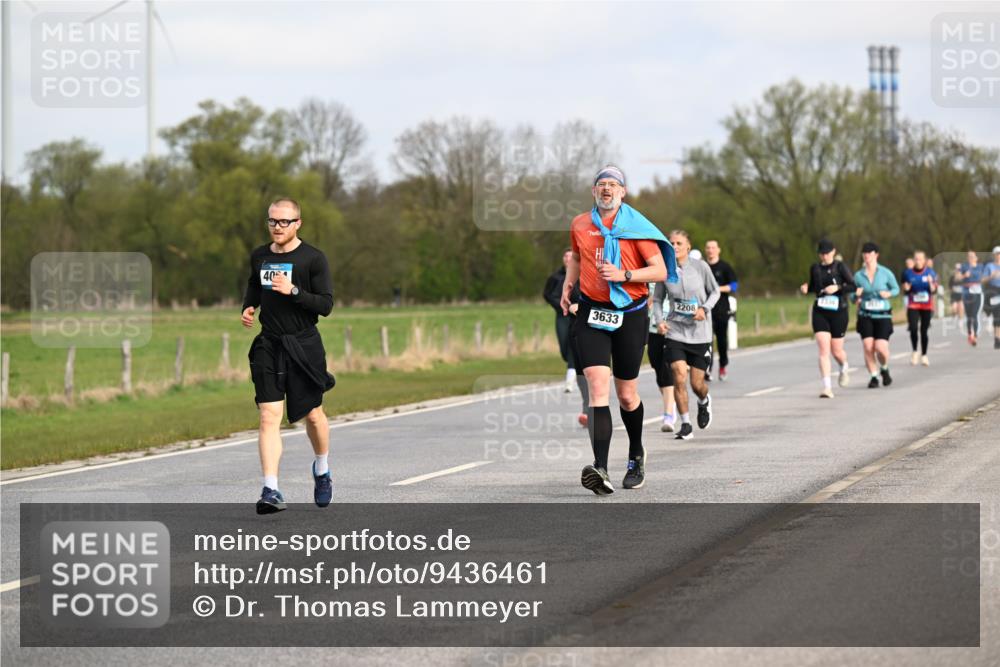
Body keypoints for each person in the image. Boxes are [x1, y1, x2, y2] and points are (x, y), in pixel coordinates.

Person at [560, 165, 675, 494]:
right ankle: (600, 468)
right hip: (593, 312)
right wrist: (569, 284)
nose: (607, 189)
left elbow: (660, 270)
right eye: (601, 185)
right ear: (593, 192)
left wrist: (624, 275)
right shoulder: (581, 224)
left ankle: (636, 454)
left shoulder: (636, 228)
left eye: (613, 185)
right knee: (598, 387)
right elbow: (578, 259)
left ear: (622, 192)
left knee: (626, 395)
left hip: (630, 313)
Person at [242, 197, 336, 514]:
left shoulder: (313, 259)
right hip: (269, 344)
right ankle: (271, 489)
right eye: (272, 221)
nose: (277, 227)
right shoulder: (260, 256)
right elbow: (254, 286)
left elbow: (325, 305)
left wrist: (294, 291)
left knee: (313, 415)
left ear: (297, 223)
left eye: (284, 222)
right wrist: (248, 307)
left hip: (304, 345)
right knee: (269, 416)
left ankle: (322, 469)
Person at [660, 230, 719, 440]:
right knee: (678, 375)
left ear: (687, 246)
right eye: (671, 243)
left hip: (700, 334)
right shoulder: (665, 270)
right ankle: (685, 424)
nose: (674, 246)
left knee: (697, 384)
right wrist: (659, 320)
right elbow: (657, 299)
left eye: (678, 243)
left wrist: (704, 308)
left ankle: (703, 401)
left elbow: (716, 291)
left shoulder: (700, 267)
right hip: (675, 331)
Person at [800, 239, 854, 398]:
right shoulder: (815, 268)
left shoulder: (840, 267)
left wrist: (838, 287)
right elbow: (814, 287)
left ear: (833, 252)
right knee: (824, 349)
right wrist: (806, 289)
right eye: (821, 253)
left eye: (827, 253)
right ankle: (827, 387)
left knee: (836, 350)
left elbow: (853, 285)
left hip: (839, 311)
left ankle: (844, 365)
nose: (824, 256)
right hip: (820, 311)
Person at [853, 242, 900, 388]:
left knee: (880, 348)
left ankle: (884, 368)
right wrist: (856, 296)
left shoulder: (885, 273)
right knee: (868, 346)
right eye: (865, 253)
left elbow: (896, 289)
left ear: (876, 255)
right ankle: (873, 376)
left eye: (870, 253)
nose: (867, 255)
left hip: (883, 315)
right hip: (865, 314)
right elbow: (852, 296)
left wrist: (888, 293)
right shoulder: (858, 275)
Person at [704, 240, 738, 382]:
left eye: (713, 247)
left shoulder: (725, 267)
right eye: (708, 248)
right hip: (705, 309)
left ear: (718, 250)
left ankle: (723, 365)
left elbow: (734, 286)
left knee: (722, 341)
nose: (711, 250)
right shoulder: (703, 266)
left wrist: (717, 290)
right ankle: (707, 368)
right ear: (706, 250)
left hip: (721, 308)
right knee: (707, 340)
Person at [544, 249, 577, 392]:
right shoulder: (555, 277)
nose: (568, 259)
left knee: (572, 347)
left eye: (571, 256)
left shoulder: (580, 275)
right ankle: (573, 367)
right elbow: (547, 295)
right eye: (566, 256)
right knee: (564, 347)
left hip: (576, 315)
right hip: (561, 315)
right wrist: (560, 305)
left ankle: (570, 380)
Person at [647, 282, 677, 432]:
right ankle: (671, 403)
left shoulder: (672, 274)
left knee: (666, 370)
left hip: (670, 326)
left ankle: (668, 415)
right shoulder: (644, 275)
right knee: (657, 367)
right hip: (652, 329)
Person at [902, 250, 938, 366]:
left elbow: (934, 290)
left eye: (920, 259)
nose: (918, 261)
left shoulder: (930, 273)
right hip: (913, 304)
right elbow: (905, 289)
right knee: (913, 328)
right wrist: (906, 288)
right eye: (916, 259)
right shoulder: (908, 273)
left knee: (924, 330)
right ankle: (914, 351)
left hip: (926, 305)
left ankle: (924, 355)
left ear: (924, 260)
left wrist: (930, 283)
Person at [565, 279, 591, 426]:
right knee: (582, 369)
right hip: (577, 326)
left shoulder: (605, 271)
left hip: (602, 328)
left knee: (595, 371)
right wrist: (569, 306)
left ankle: (597, 409)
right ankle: (587, 409)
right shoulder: (572, 279)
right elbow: (562, 298)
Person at [959, 250, 988, 346]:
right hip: (966, 293)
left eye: (972, 256)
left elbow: (985, 277)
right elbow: (957, 277)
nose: (970, 258)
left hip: (977, 293)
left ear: (976, 258)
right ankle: (969, 334)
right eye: (969, 256)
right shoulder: (964, 266)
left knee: (975, 315)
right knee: (969, 316)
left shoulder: (981, 267)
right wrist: (964, 275)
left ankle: (975, 336)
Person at [986, 247, 1000, 350]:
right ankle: (997, 339)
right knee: (997, 315)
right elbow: (983, 279)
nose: (999, 255)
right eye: (997, 253)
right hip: (994, 291)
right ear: (994, 255)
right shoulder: (989, 266)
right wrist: (991, 276)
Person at [949, 263, 966, 329]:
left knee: (961, 308)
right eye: (957, 269)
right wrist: (952, 289)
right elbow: (950, 286)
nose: (958, 270)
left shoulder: (963, 277)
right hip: (954, 295)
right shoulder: (952, 277)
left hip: (961, 295)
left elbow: (966, 286)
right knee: (954, 308)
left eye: (959, 269)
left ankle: (961, 321)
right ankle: (954, 316)